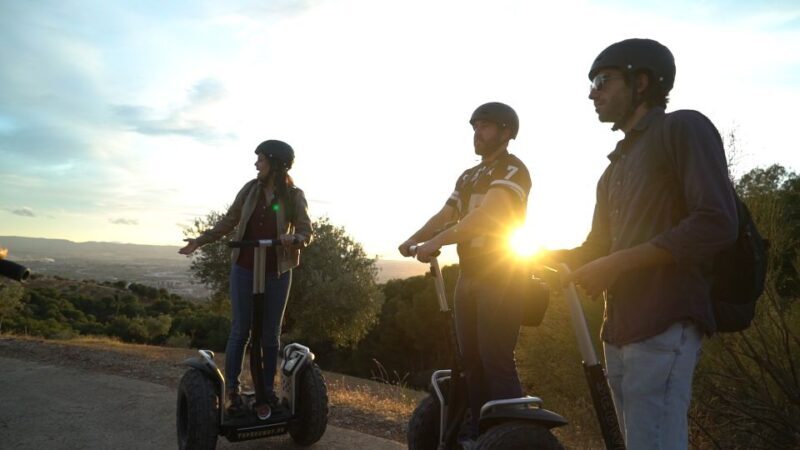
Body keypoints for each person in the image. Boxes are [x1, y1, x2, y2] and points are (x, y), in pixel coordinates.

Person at [547, 38, 738, 449]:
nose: (592, 92)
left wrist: (616, 265)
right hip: (618, 328)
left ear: (642, 82)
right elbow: (597, 247)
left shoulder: (682, 128)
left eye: (602, 80)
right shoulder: (612, 170)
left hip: (665, 317)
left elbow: (717, 222)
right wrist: (538, 261)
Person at [398, 102, 531, 442]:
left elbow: (486, 217)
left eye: (485, 127)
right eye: (475, 127)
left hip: (502, 275)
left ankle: (510, 437)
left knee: (494, 358)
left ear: (505, 132)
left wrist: (436, 242)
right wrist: (416, 237)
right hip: (469, 276)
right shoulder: (469, 175)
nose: (477, 133)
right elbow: (447, 214)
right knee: (469, 359)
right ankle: (477, 430)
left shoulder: (513, 170)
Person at [179, 139, 313, 421]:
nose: (256, 164)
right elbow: (230, 220)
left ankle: (267, 392)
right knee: (240, 330)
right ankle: (234, 394)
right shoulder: (250, 190)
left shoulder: (293, 195)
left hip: (277, 271)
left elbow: (305, 228)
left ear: (275, 164)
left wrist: (296, 239)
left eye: (261, 160)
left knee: (270, 334)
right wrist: (200, 241)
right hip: (244, 267)